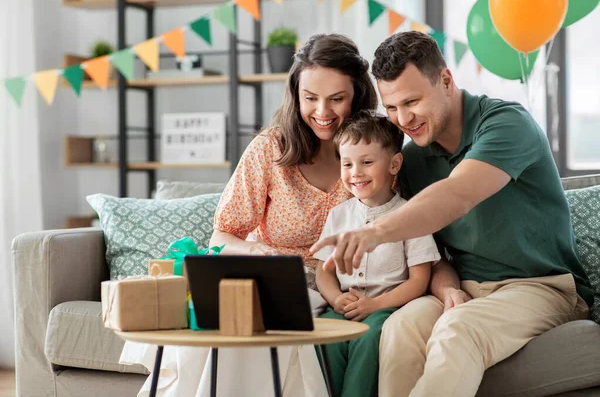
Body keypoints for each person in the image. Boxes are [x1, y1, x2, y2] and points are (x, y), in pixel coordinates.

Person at [309, 31, 593, 397]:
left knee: (457, 330)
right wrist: (448, 289)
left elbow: (457, 195)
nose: (403, 118)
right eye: (392, 107)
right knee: (400, 327)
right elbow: (432, 251)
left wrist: (374, 233)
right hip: (466, 287)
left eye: (412, 101)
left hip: (542, 286)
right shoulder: (410, 159)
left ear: (445, 81)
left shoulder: (506, 124)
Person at [120, 33, 379, 397]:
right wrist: (257, 252)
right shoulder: (270, 149)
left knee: (264, 322)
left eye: (337, 99)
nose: (322, 112)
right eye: (310, 98)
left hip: (329, 285)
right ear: (295, 95)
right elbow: (221, 236)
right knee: (234, 319)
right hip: (267, 275)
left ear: (358, 96)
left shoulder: (374, 153)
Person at [313, 110, 440, 397]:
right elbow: (324, 271)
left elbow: (419, 280)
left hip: (386, 308)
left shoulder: (411, 215)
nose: (355, 172)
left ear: (395, 164)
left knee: (368, 339)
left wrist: (375, 305)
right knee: (322, 336)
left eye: (367, 162)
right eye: (347, 164)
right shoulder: (339, 215)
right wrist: (336, 298)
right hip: (342, 308)